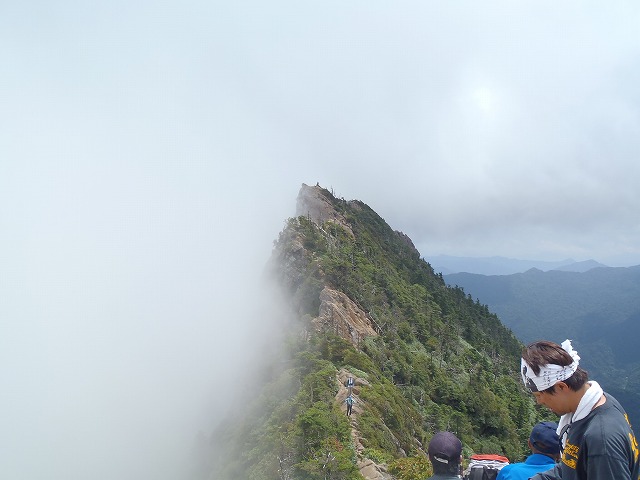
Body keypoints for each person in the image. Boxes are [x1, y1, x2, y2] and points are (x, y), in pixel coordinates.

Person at [521, 339, 639, 480]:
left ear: (561, 387)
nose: (539, 402)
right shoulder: (597, 404)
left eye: (540, 395)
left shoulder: (601, 440)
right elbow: (572, 467)